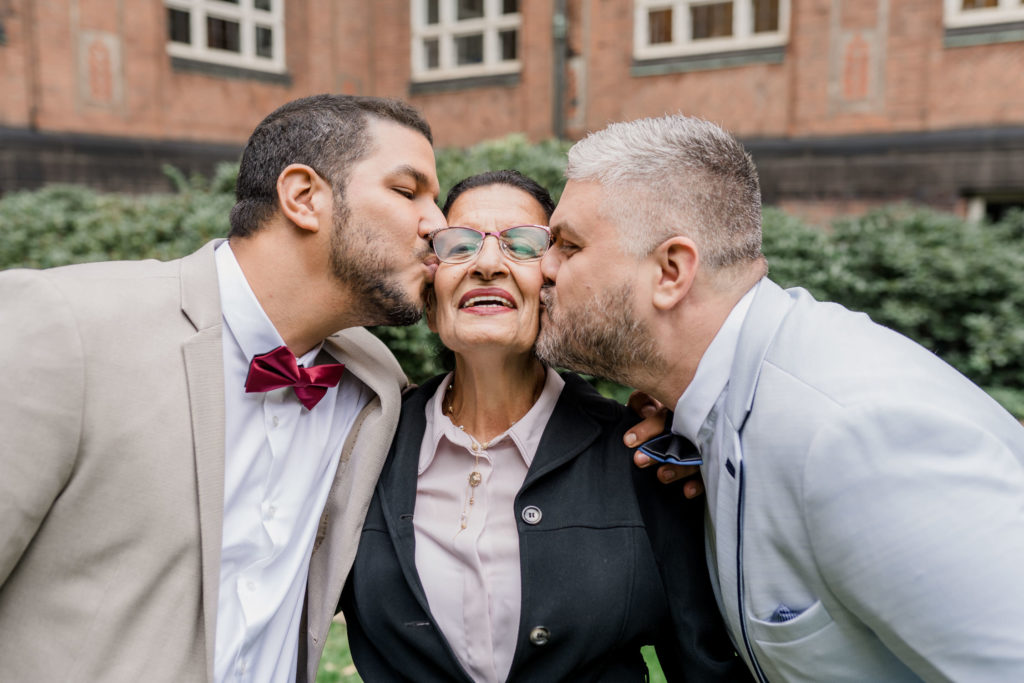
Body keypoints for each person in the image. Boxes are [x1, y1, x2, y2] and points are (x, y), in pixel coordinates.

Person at [534, 113, 1024, 681]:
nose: (541, 267)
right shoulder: (722, 408)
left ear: (671, 271)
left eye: (568, 246)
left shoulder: (856, 434)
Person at [0, 94, 447, 681]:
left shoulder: (376, 385)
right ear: (304, 197)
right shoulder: (66, 326)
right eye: (407, 190)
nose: (438, 225)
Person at [339, 170, 747, 682]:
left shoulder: (644, 457)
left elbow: (707, 666)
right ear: (429, 296)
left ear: (556, 282)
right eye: (460, 245)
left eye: (523, 245)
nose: (488, 264)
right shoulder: (363, 445)